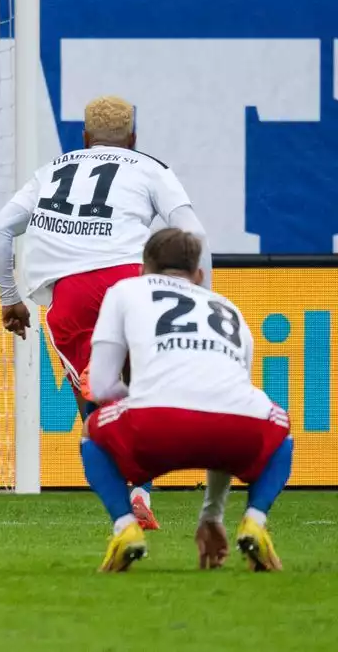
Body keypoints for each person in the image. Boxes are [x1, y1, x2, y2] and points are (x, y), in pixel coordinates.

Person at [0, 95, 210, 530]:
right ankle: (142, 487)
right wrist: (204, 298)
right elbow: (193, 232)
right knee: (140, 387)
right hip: (134, 282)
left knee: (96, 402)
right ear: (133, 139)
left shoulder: (52, 170)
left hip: (71, 295)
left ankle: (125, 506)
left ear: (85, 139)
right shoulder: (150, 168)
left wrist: (9, 297)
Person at [79, 229, 291, 572]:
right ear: (198, 275)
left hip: (157, 425)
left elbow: (101, 387)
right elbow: (225, 400)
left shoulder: (125, 290)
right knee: (281, 431)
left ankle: (125, 528)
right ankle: (254, 520)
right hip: (235, 427)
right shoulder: (228, 307)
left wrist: (143, 398)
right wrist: (212, 515)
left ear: (143, 269)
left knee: (91, 430)